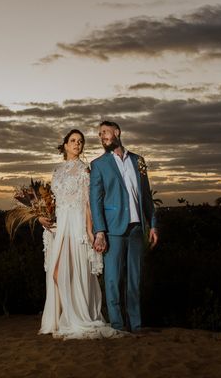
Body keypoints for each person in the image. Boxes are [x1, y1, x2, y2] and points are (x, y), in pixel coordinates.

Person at [39, 129, 122, 339]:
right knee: (56, 271)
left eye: (81, 141)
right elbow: (52, 202)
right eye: (73, 141)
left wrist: (89, 230)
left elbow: (88, 203)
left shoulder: (86, 170)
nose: (78, 144)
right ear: (65, 145)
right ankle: (65, 316)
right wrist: (43, 216)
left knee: (73, 271)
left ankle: (75, 317)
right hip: (60, 225)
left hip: (76, 223)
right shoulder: (57, 171)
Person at [89, 121, 158, 331]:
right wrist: (100, 230)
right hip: (113, 230)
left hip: (137, 228)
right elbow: (95, 200)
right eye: (100, 134)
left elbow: (146, 196)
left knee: (134, 280)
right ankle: (117, 326)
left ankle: (135, 326)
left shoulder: (138, 160)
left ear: (117, 132)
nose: (102, 136)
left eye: (105, 132)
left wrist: (153, 225)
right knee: (112, 280)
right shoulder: (99, 164)